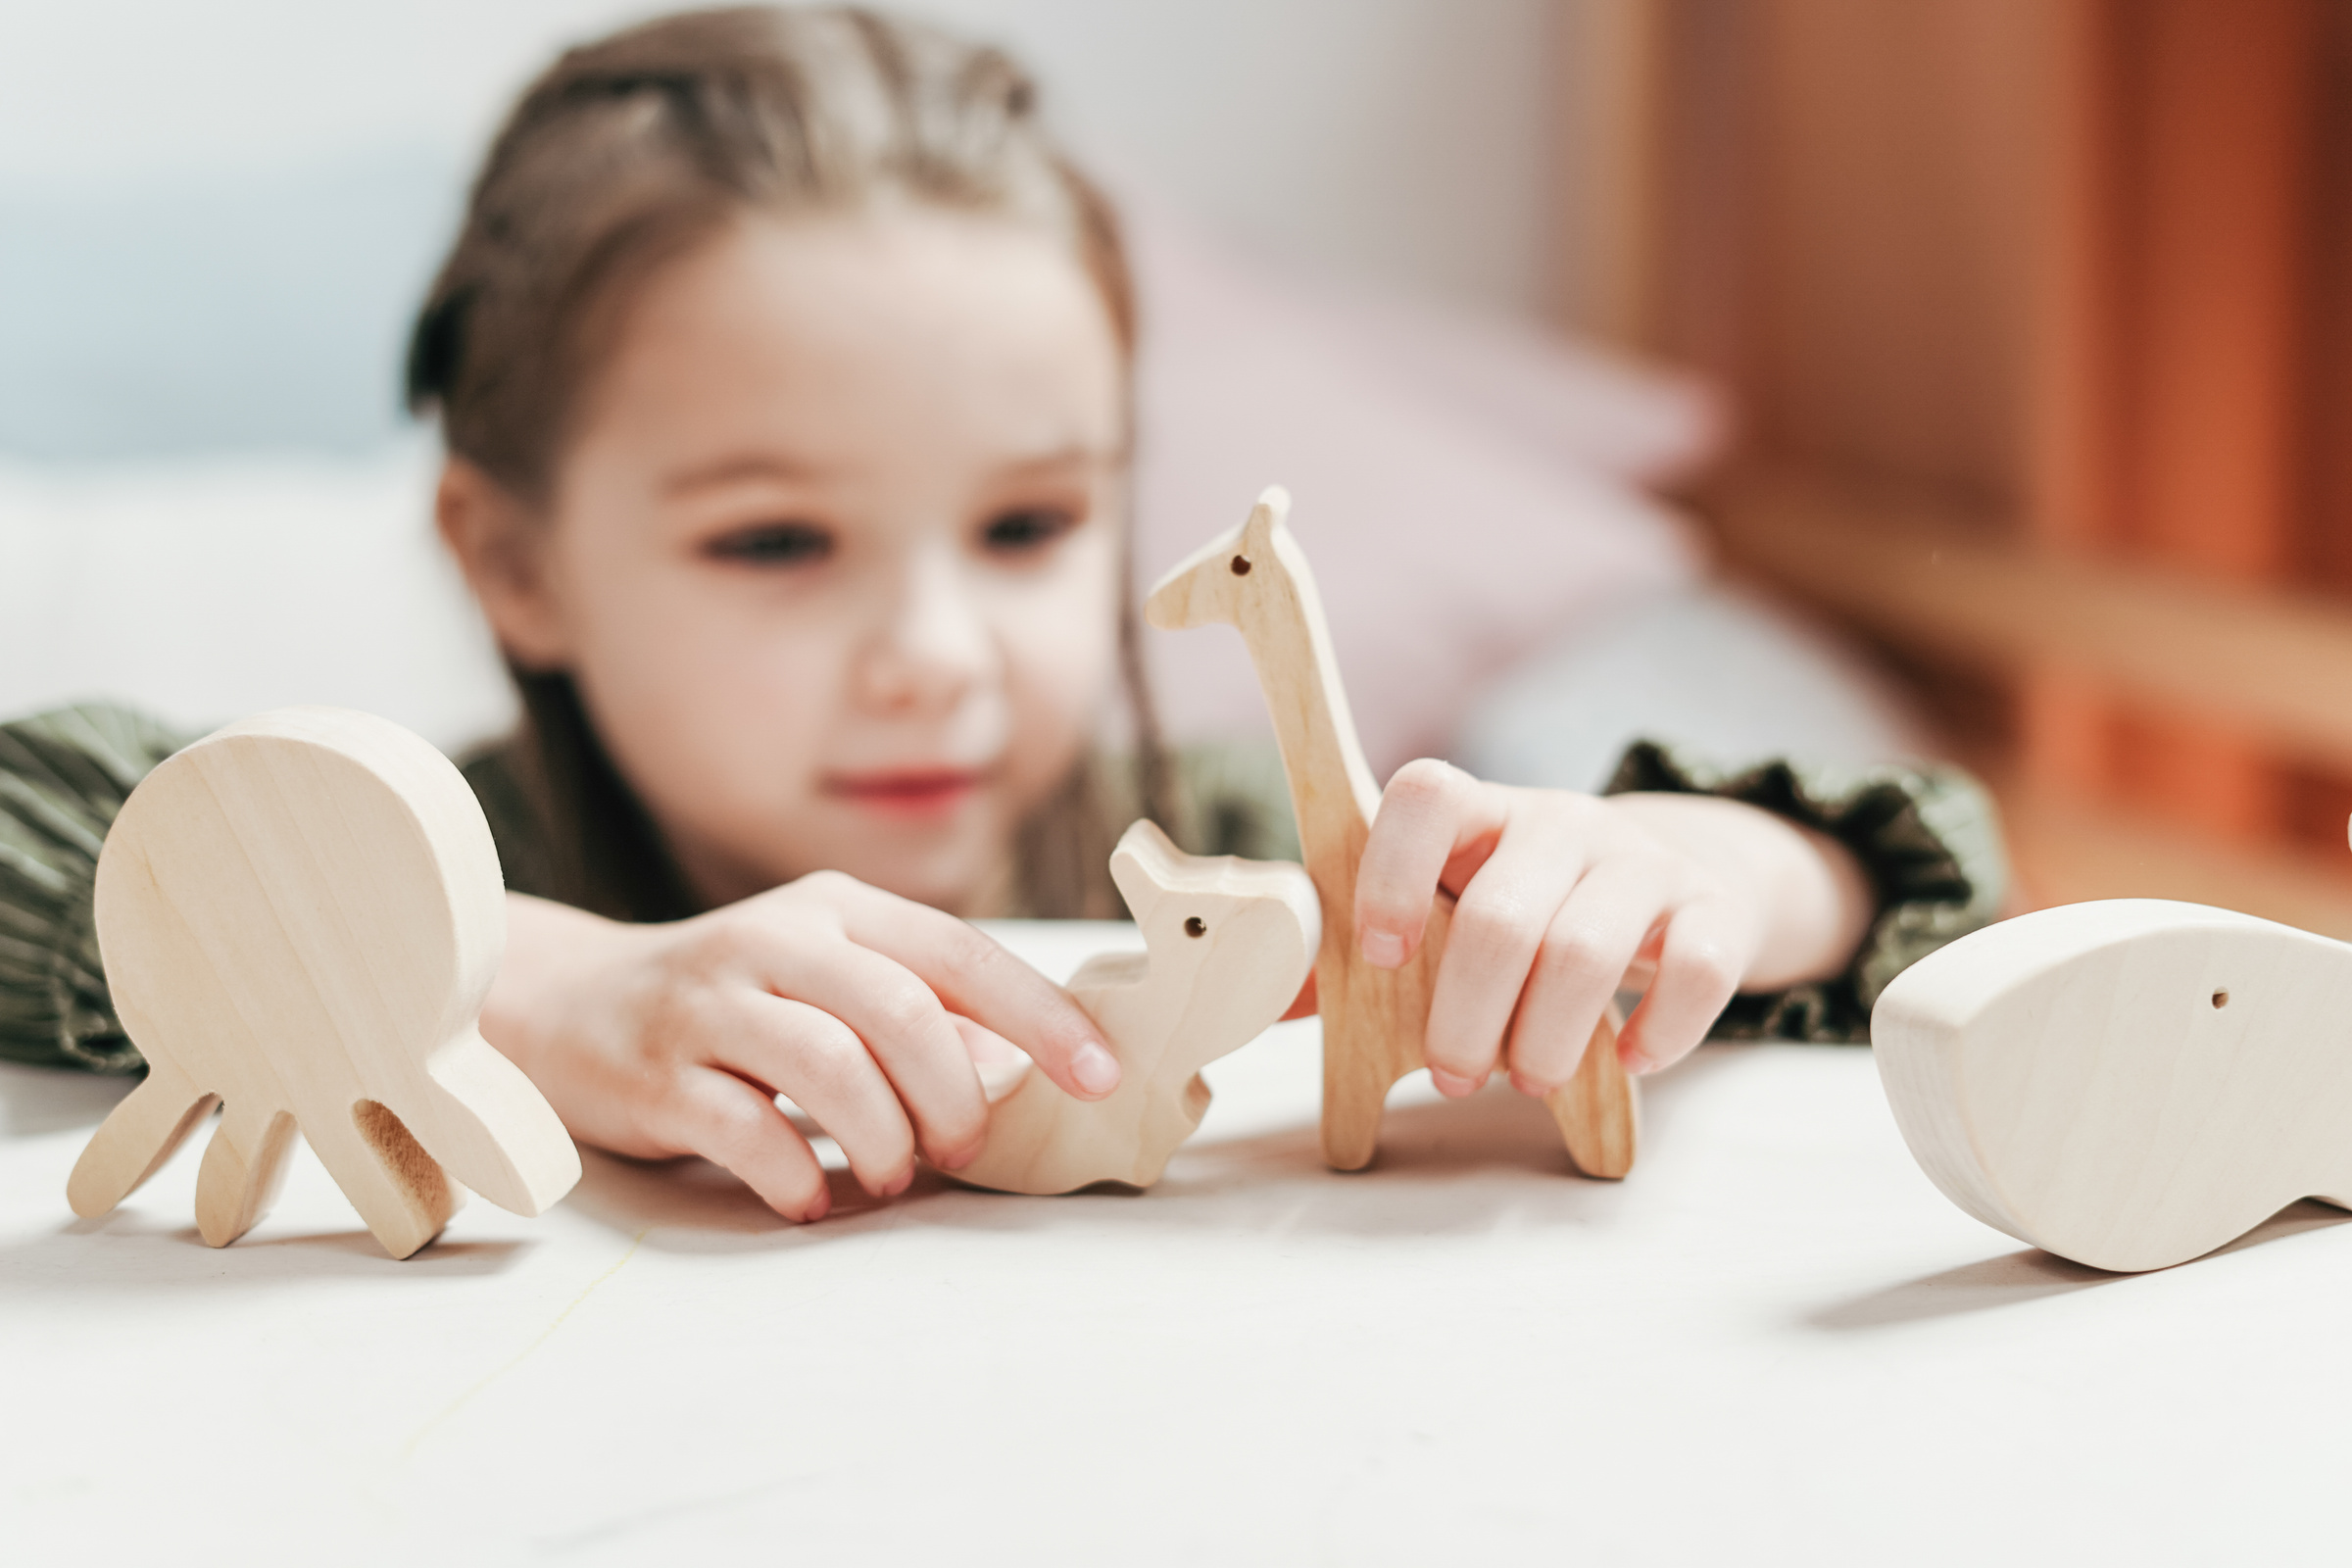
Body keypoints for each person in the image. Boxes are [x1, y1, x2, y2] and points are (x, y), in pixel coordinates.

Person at [0, 5, 2003, 1223]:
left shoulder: (1245, 857)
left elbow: (1919, 885)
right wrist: (521, 983)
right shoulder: (434, 862)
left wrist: (1703, 869)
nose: (938, 653)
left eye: (1033, 524)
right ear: (512, 559)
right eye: (777, 541)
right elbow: (48, 815)